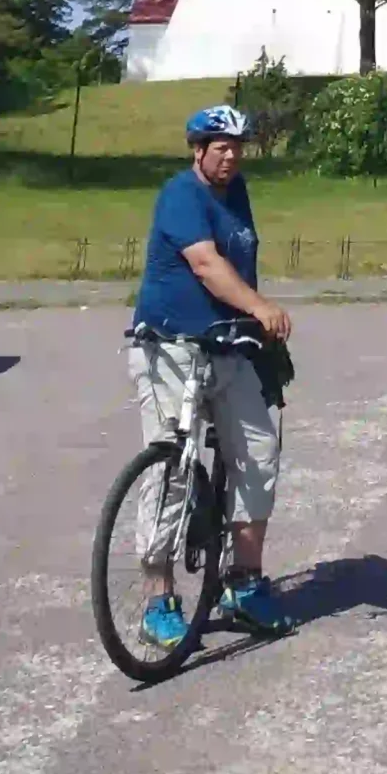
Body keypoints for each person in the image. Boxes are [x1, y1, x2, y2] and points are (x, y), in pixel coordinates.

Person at [127, 104, 296, 647]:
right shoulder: (180, 194)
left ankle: (243, 582)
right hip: (171, 346)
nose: (231, 157)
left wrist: (254, 330)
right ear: (198, 150)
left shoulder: (236, 192)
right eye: (221, 147)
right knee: (172, 466)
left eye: (237, 148)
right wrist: (260, 307)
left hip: (227, 347)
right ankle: (158, 600)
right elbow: (206, 264)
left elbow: (240, 261)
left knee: (258, 453)